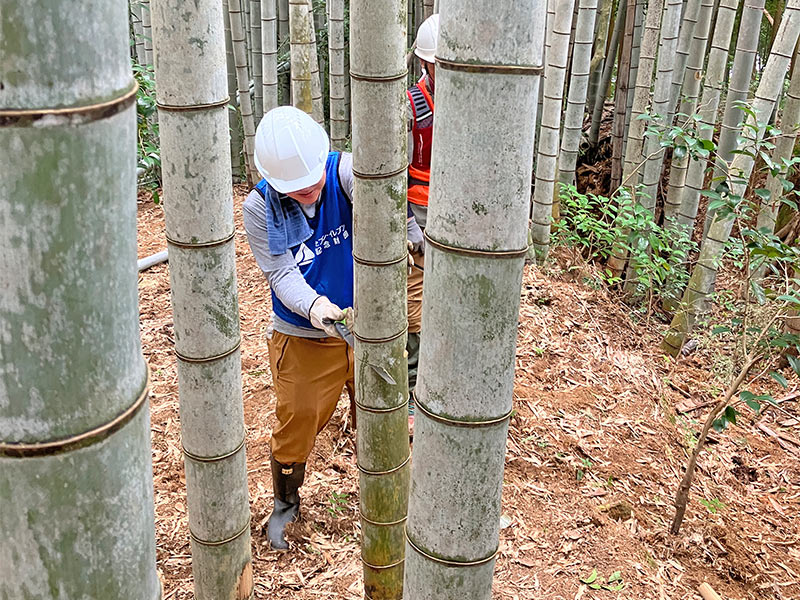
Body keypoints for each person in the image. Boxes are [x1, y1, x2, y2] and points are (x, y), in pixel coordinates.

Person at [242, 106, 356, 550]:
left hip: (371, 327)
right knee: (298, 418)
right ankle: (286, 502)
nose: (309, 188)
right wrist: (315, 308)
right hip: (305, 334)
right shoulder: (259, 206)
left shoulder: (345, 172)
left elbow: (386, 216)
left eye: (311, 178)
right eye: (295, 185)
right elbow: (281, 272)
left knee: (383, 412)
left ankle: (390, 490)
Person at [405, 13, 439, 428]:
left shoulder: (478, 105)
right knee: (415, 309)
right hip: (418, 216)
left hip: (461, 222)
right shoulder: (412, 108)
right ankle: (414, 392)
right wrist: (410, 230)